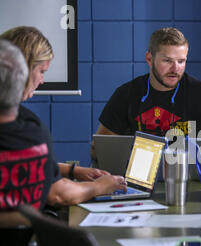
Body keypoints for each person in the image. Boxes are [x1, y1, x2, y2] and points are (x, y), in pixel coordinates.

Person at [0, 27, 127, 208]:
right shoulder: (23, 128)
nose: (42, 81)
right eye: (41, 71)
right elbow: (57, 195)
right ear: (22, 70)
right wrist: (99, 187)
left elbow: (15, 163)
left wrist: (72, 170)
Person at [93, 27, 201, 159]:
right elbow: (97, 150)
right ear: (149, 59)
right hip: (136, 174)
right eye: (167, 61)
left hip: (187, 174)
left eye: (181, 61)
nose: (175, 69)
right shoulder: (125, 94)